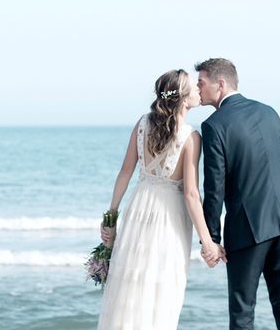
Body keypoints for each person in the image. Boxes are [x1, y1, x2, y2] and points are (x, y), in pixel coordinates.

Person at [97, 69, 226, 330]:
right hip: (169, 217)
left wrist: (110, 216)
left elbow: (125, 173)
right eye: (193, 86)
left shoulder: (142, 123)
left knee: (130, 283)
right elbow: (191, 194)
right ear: (182, 97)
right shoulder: (191, 137)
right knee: (163, 286)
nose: (198, 89)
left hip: (139, 207)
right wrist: (208, 241)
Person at [196, 58, 280, 330]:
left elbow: (214, 187)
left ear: (219, 84)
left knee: (242, 312)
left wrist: (211, 238)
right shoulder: (269, 112)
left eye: (201, 83)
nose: (197, 89)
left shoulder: (214, 126)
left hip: (248, 230)